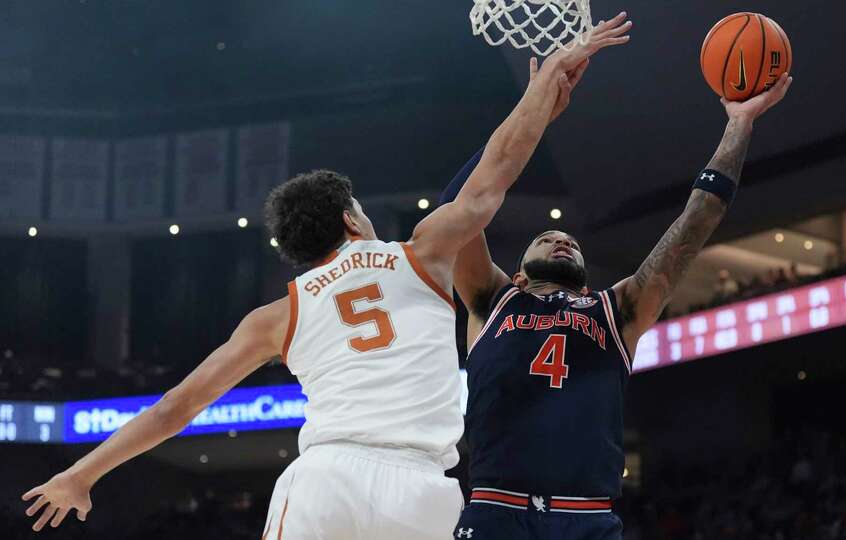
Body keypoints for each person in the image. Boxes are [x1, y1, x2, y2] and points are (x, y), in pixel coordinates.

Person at [20, 20, 631, 538]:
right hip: (422, 493)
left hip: (326, 479)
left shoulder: (276, 317)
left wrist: (82, 474)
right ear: (351, 218)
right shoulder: (420, 254)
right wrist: (544, 89)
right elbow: (496, 170)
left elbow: (176, 408)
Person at [442, 70, 792, 538]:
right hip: (496, 509)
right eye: (547, 238)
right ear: (521, 273)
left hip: (586, 517)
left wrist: (740, 123)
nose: (562, 241)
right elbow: (456, 206)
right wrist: (533, 114)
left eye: (569, 241)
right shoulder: (492, 299)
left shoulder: (616, 311)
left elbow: (698, 218)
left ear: (588, 285)